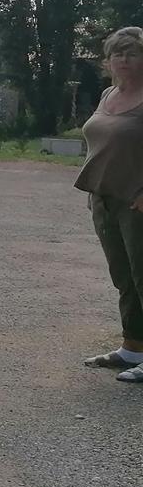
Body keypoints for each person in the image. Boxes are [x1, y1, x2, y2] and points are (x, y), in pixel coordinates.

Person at [79, 25, 143, 383]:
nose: (123, 59)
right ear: (108, 62)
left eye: (132, 52)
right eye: (117, 53)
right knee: (124, 277)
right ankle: (133, 348)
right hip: (104, 198)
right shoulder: (107, 96)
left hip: (138, 202)